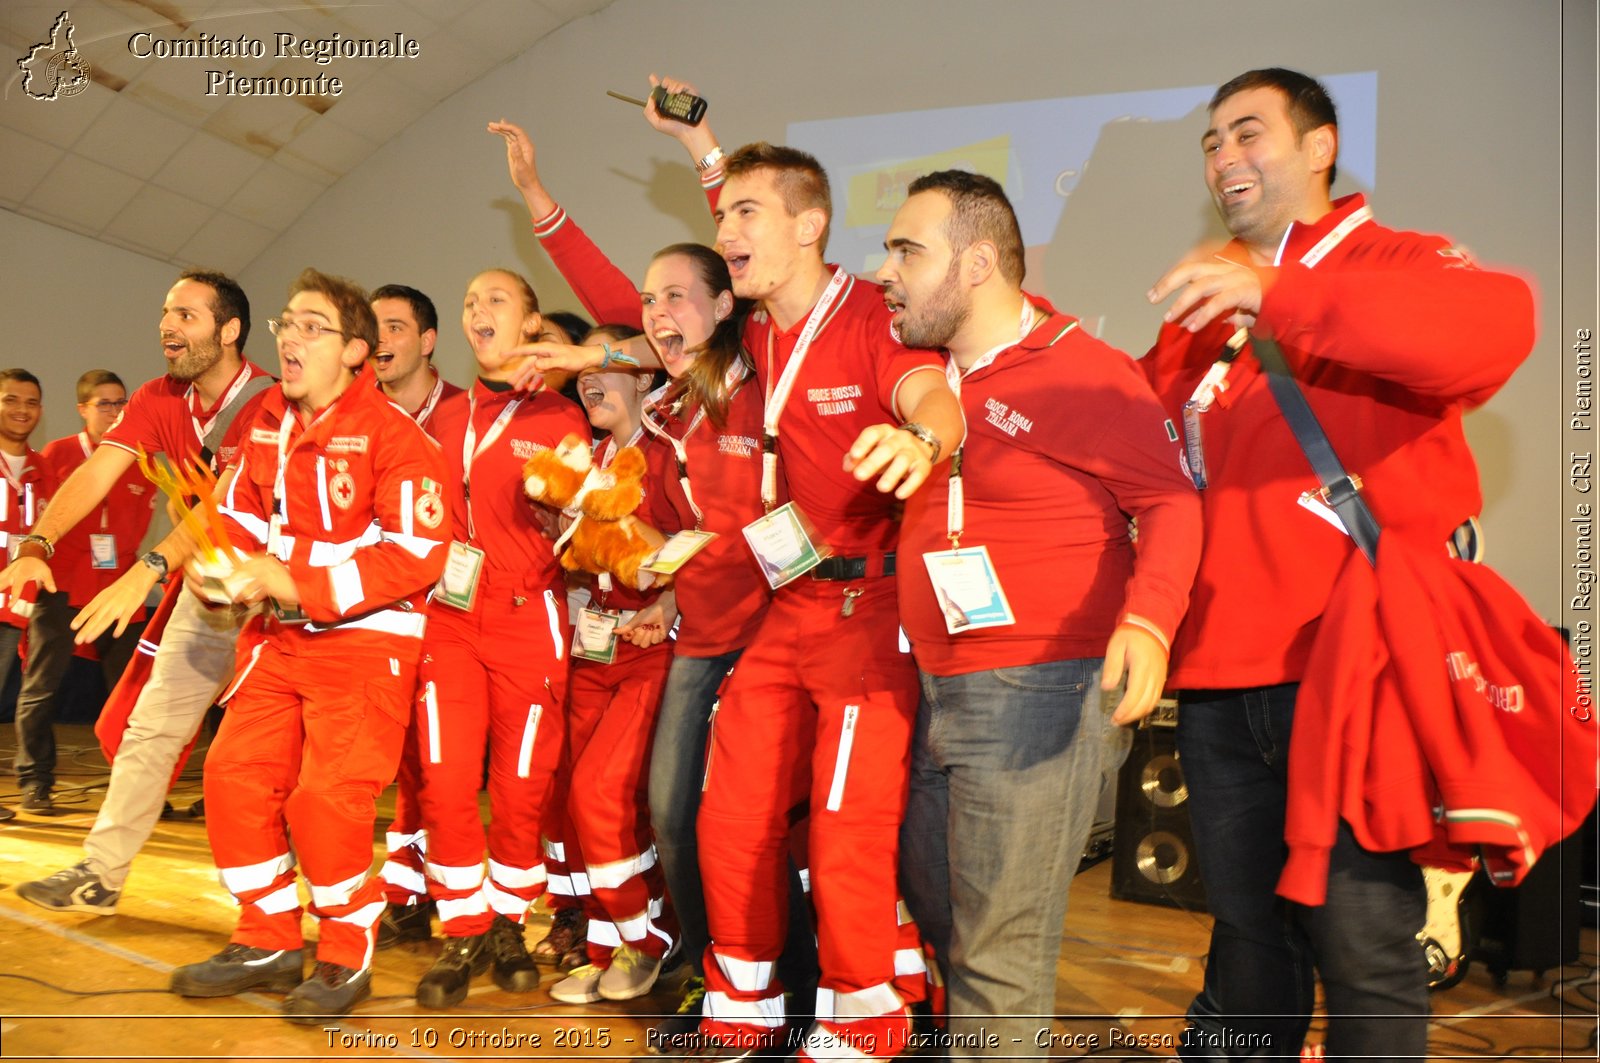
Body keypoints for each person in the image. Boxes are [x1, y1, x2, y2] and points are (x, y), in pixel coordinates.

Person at [521, 99, 964, 1058]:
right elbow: (661, 327)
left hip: (868, 609)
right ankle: (747, 1009)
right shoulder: (755, 332)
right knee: (729, 819)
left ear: (809, 226)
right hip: (787, 610)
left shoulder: (868, 316)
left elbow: (932, 392)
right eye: (722, 220)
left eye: (746, 218)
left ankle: (870, 1020)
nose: (727, 233)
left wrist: (922, 434)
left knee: (846, 834)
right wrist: (595, 348)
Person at [1140, 68, 1535, 1059]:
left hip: (1349, 664)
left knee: (1362, 943)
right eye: (1211, 140)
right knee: (1246, 951)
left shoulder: (1391, 262)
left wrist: (1282, 293)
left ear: (1319, 147)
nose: (1224, 155)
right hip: (1218, 679)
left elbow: (1499, 327)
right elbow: (1137, 447)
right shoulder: (1198, 309)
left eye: (1247, 133)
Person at [493, 116, 817, 1042]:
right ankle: (715, 972)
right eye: (649, 301)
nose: (659, 311)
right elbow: (617, 311)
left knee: (766, 823)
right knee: (675, 815)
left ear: (729, 307)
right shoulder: (667, 401)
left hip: (777, 635)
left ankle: (790, 983)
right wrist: (538, 200)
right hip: (701, 641)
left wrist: (706, 150)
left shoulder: (753, 374)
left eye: (683, 295)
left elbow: (735, 252)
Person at [880, 170, 1201, 1057]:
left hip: (1039, 686)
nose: (887, 271)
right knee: (956, 934)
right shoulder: (921, 375)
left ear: (977, 262)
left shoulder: (1085, 372)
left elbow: (1172, 501)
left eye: (907, 249)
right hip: (930, 688)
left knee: (998, 960)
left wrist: (1150, 618)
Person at [168, 267, 449, 1022]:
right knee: (230, 776)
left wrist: (291, 582)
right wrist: (221, 567)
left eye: (311, 327)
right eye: (285, 324)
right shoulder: (268, 418)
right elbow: (243, 517)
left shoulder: (397, 438)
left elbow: (417, 553)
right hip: (279, 642)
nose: (290, 338)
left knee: (327, 799)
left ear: (356, 350)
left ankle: (344, 952)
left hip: (366, 645)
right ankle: (266, 936)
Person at [7, 271, 274, 909]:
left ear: (229, 330)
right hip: (206, 594)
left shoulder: (269, 402)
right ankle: (101, 874)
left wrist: (149, 565)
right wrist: (36, 544)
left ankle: (291, 904)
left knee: (265, 755)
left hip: (277, 599)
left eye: (185, 314)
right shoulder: (158, 398)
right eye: (164, 312)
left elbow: (228, 508)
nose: (166, 324)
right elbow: (99, 471)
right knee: (151, 729)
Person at [409, 268, 590, 1009]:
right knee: (446, 780)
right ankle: (465, 927)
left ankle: (511, 921)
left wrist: (573, 520)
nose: (477, 309)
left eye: (496, 300)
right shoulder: (442, 417)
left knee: (520, 787)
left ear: (533, 323)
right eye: (470, 299)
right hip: (449, 618)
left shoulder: (562, 420)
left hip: (528, 618)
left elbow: (588, 525)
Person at [367, 282, 462, 951]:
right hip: (381, 615)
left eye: (395, 327)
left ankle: (449, 897)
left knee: (440, 767)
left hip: (458, 617)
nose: (380, 340)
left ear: (427, 340)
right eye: (371, 327)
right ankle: (405, 891)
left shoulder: (468, 413)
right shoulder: (357, 418)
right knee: (403, 764)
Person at [14, 371, 156, 816]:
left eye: (120, 404)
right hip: (61, 586)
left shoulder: (142, 460)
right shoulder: (56, 455)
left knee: (130, 695)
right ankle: (35, 783)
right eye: (104, 404)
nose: (114, 412)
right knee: (40, 689)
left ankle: (131, 792)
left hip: (119, 593)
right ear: (82, 409)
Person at [0, 368, 52, 820]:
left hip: (22, 603)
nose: (22, 410)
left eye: (31, 403)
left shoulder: (45, 468)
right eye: (11, 400)